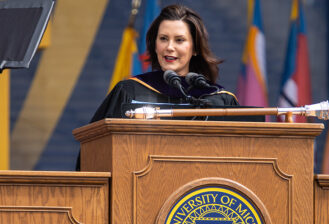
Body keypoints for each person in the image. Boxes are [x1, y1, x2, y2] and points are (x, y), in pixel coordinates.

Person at [76, 4, 239, 170]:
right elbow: (95, 152)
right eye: (163, 38)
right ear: (155, 46)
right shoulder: (130, 91)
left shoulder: (219, 100)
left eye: (179, 40)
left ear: (195, 48)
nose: (169, 47)